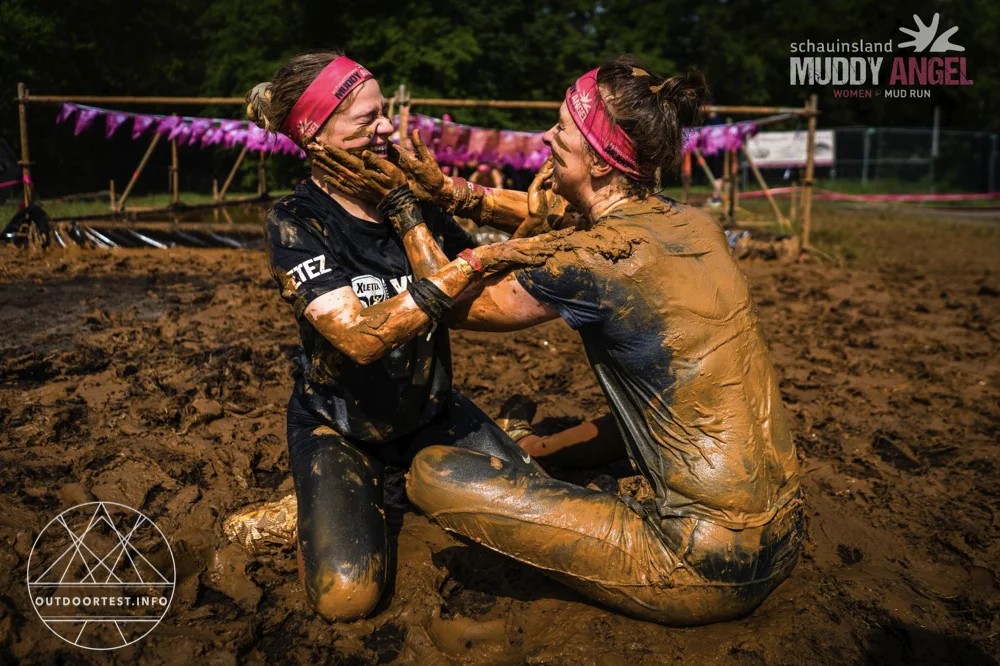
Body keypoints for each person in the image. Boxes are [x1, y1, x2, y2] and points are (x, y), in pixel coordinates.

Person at [394, 55, 804, 625]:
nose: (546, 136)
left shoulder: (595, 260)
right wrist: (455, 193)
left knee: (432, 474)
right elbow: (566, 219)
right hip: (785, 528)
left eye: (562, 127)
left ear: (600, 160)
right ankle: (537, 451)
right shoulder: (696, 225)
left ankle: (565, 483)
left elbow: (456, 305)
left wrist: (403, 207)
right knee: (656, 407)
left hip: (700, 562)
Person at [230, 50, 572, 623]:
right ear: (315, 135)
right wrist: (463, 260)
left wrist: (556, 264)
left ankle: (396, 483)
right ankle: (307, 506)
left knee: (540, 511)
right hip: (340, 424)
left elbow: (472, 298)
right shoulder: (296, 220)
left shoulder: (409, 199)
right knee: (347, 597)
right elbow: (360, 339)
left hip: (430, 410)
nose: (388, 127)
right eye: (367, 119)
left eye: (384, 112)